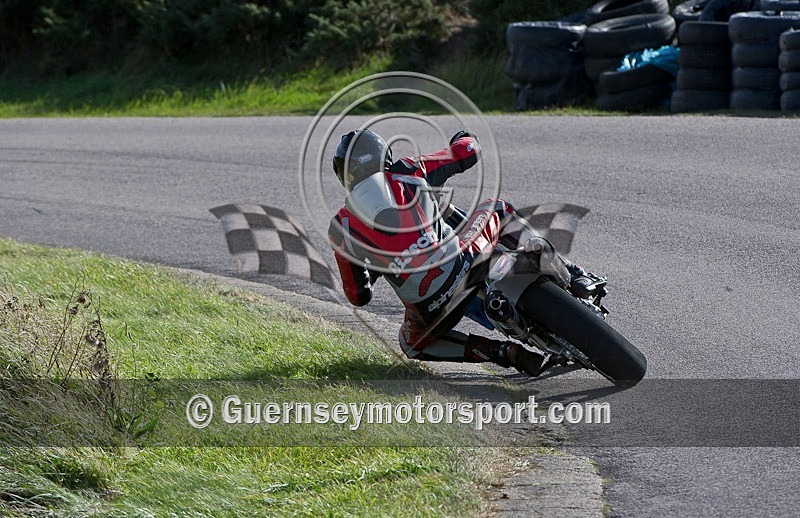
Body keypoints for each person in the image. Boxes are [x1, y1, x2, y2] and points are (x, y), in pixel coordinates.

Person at [327, 129, 596, 376]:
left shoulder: (341, 226)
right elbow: (466, 152)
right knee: (497, 208)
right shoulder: (408, 169)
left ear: (344, 175)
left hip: (429, 309)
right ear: (384, 154)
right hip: (463, 261)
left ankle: (502, 353)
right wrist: (467, 137)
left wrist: (378, 265)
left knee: (411, 346)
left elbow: (358, 296)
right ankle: (573, 275)